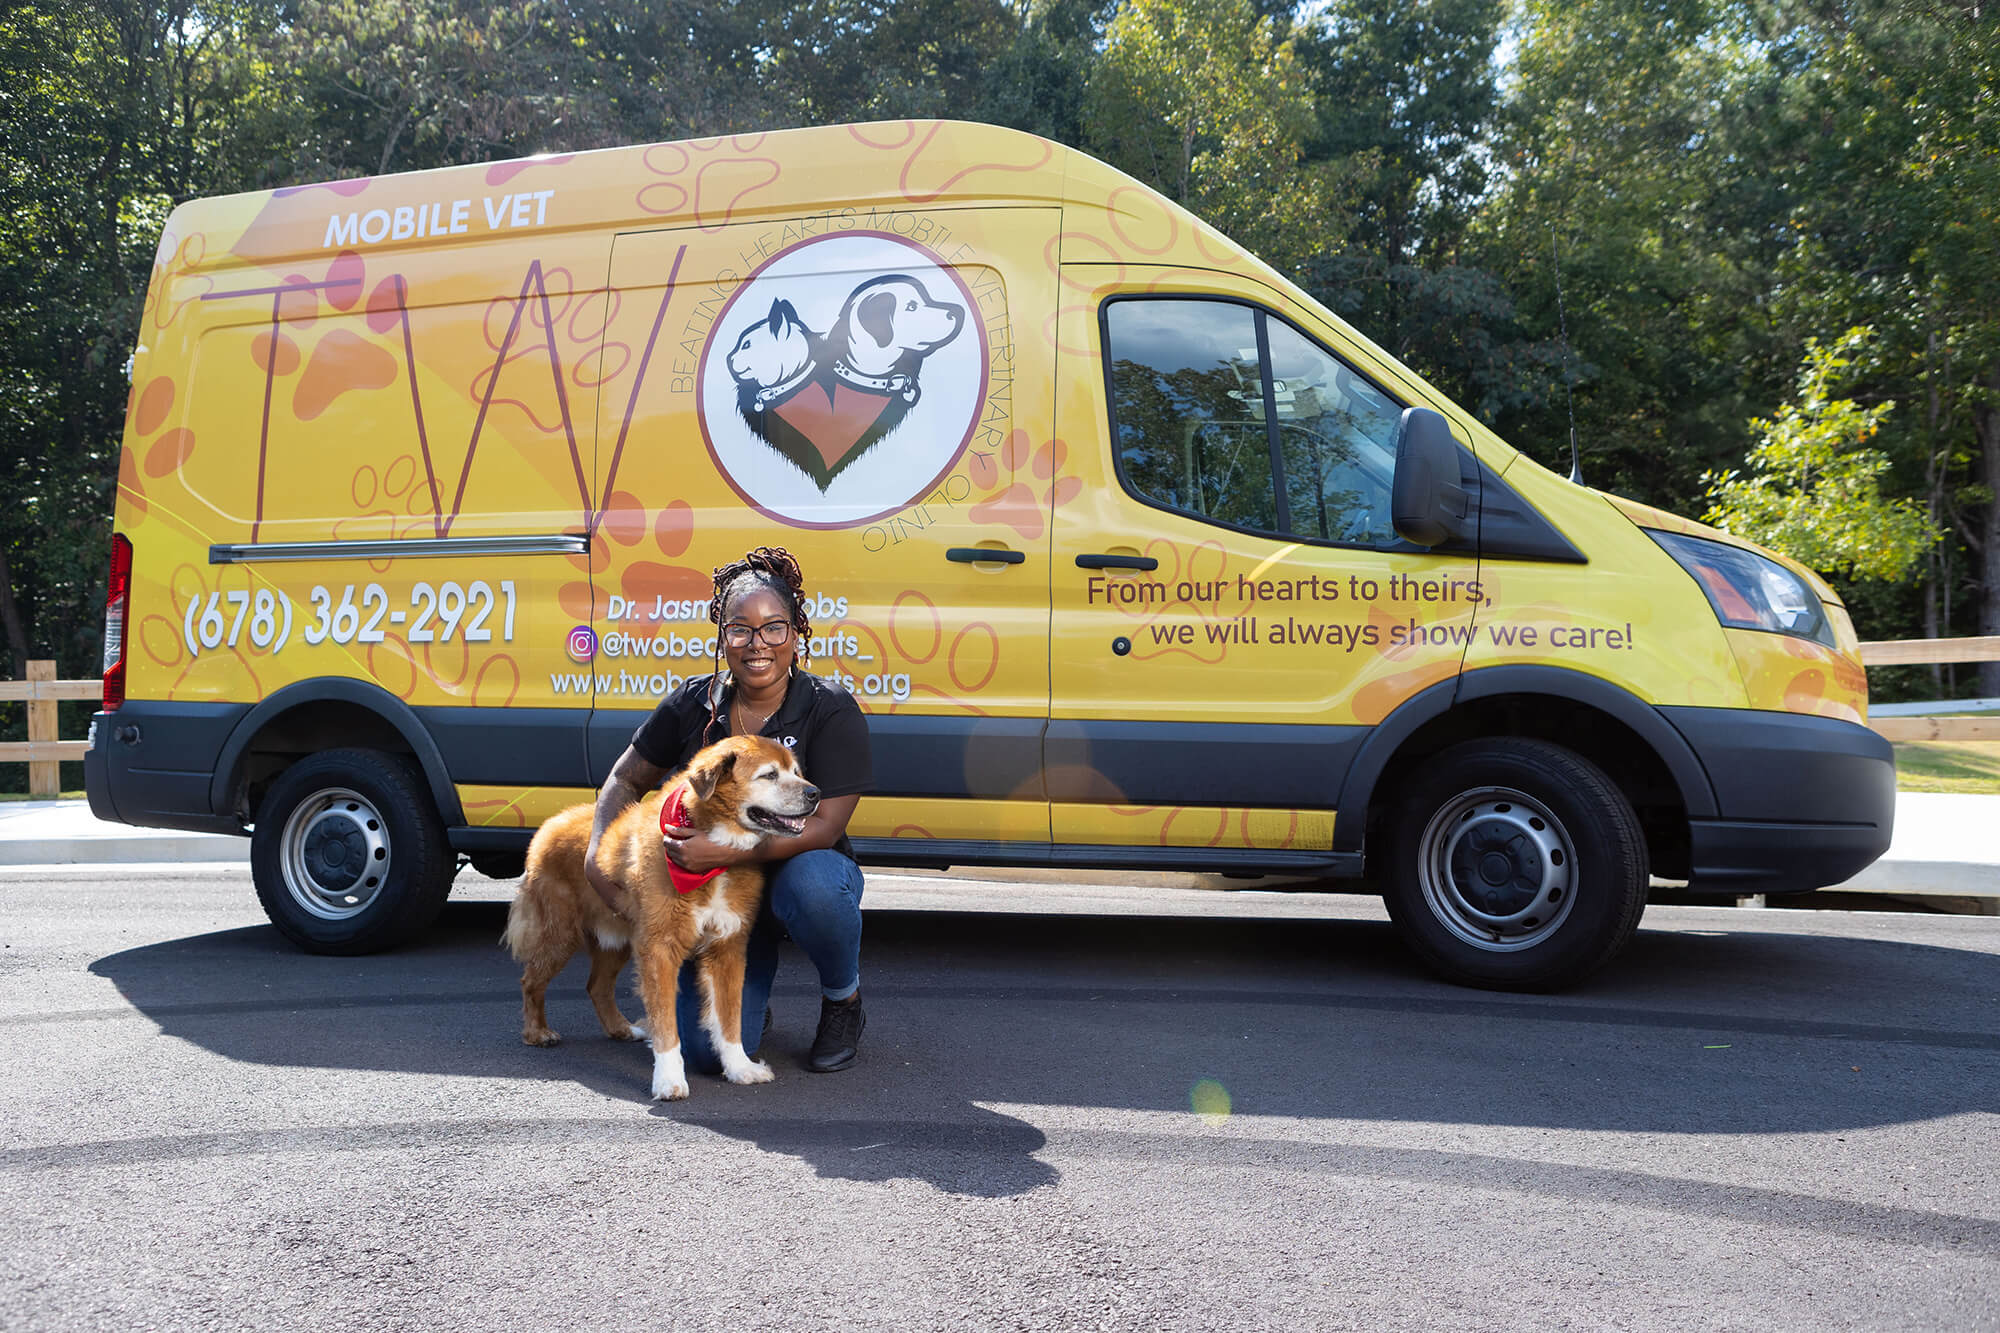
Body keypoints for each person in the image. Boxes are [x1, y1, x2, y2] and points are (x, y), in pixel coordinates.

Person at [583, 547, 872, 1073]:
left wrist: (724, 851)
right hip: (721, 903)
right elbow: (625, 779)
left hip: (802, 872)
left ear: (797, 632)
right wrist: (595, 857)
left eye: (774, 628)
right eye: (741, 630)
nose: (757, 644)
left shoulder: (830, 708)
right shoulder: (694, 703)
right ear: (722, 636)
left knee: (814, 889)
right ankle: (750, 998)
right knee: (703, 1054)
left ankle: (843, 1001)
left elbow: (826, 827)